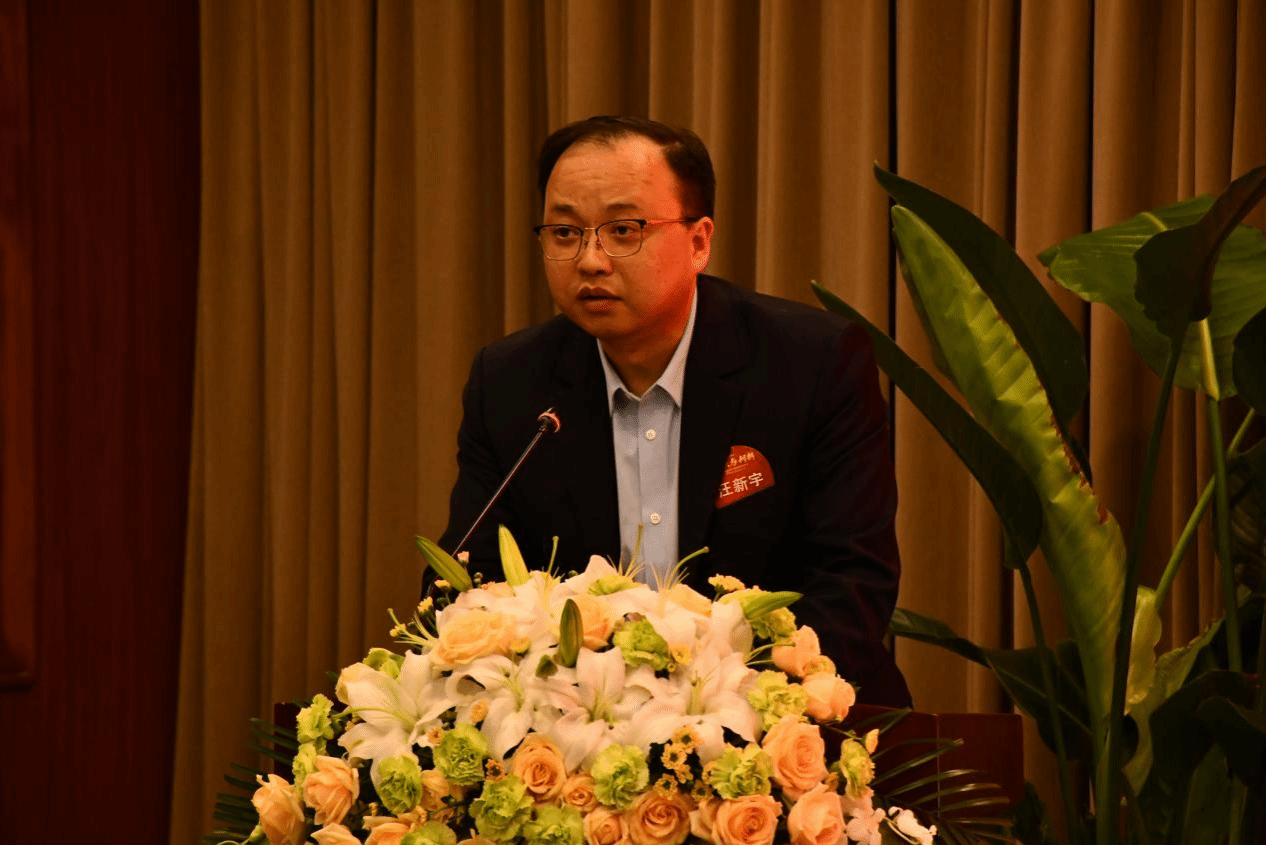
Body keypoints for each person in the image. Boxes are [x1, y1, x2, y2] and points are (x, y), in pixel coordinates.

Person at [438, 116, 910, 707]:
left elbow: (851, 585)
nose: (591, 260)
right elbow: (469, 580)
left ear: (699, 242)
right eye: (564, 233)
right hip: (573, 729)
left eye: (624, 230)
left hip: (788, 722)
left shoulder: (812, 364)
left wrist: (732, 712)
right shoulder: (512, 383)